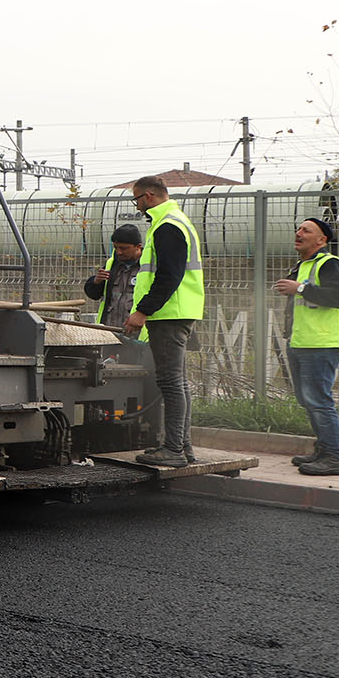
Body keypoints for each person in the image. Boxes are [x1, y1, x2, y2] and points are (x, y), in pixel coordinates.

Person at [125, 176, 205, 467]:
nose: (136, 206)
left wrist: (143, 311)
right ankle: (183, 448)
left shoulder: (167, 225)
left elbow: (169, 275)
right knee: (179, 382)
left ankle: (173, 450)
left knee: (170, 383)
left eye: (136, 200)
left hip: (169, 313)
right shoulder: (175, 220)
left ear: (148, 197)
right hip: (178, 310)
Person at [275, 217, 339, 476]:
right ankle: (323, 449)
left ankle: (333, 457)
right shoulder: (304, 265)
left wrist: (299, 287)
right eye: (298, 229)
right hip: (303, 341)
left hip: (323, 342)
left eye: (306, 230)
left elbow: (338, 297)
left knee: (319, 400)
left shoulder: (330, 264)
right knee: (307, 399)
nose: (299, 233)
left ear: (322, 240)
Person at [83, 223, 144, 328]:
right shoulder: (111, 264)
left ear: (138, 247)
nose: (119, 252)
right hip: (110, 328)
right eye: (116, 248)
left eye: (124, 248)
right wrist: (96, 282)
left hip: (137, 330)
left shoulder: (147, 266)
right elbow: (94, 294)